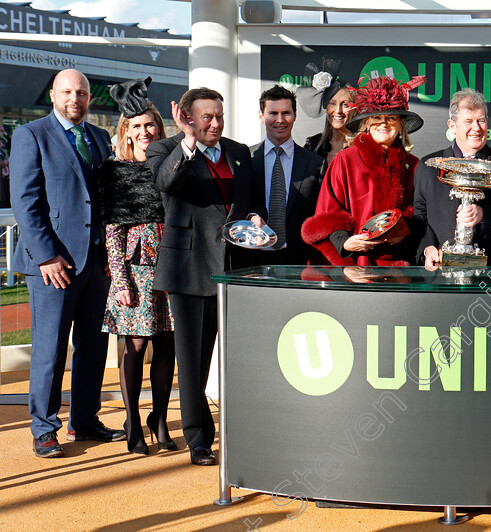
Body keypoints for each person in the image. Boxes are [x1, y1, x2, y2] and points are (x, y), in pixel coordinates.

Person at [146, 87, 265, 466]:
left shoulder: (240, 152)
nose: (215, 123)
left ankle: (243, 428)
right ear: (188, 118)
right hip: (189, 269)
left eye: (219, 116)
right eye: (206, 117)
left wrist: (257, 216)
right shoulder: (166, 150)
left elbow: (251, 201)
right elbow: (165, 184)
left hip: (235, 269)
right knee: (193, 359)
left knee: (235, 356)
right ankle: (198, 438)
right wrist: (188, 143)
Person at [10, 68, 125, 457]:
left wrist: (111, 253)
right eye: (67, 92)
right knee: (51, 348)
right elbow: (26, 202)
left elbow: (106, 198)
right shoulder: (31, 135)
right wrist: (45, 256)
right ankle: (44, 428)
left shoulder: (99, 137)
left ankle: (85, 420)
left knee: (94, 345)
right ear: (53, 95)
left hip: (96, 262)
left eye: (82, 93)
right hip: (53, 265)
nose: (75, 99)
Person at [99, 77, 176, 455]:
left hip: (173, 263)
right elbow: (112, 228)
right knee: (136, 345)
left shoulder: (174, 163)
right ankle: (132, 420)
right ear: (125, 133)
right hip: (136, 267)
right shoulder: (115, 170)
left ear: (160, 129)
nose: (145, 132)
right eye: (137, 126)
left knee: (167, 346)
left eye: (151, 125)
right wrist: (121, 278)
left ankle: (158, 419)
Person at [301, 76, 424, 266]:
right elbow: (328, 213)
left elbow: (420, 214)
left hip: (399, 270)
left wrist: (403, 229)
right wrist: (345, 242)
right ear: (366, 122)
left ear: (401, 124)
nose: (383, 124)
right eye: (377, 117)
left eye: (391, 118)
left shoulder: (414, 165)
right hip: (353, 268)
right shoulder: (346, 160)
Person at [414, 88, 491, 269]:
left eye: (481, 121)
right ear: (452, 125)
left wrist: (484, 216)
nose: (476, 128)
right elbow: (419, 215)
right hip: (440, 272)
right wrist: (428, 247)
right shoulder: (429, 166)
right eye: (468, 121)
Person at [244, 85, 324, 266]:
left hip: (299, 262)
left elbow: (319, 214)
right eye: (273, 113)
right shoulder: (246, 158)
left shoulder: (315, 163)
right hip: (252, 260)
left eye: (286, 113)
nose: (280, 120)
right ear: (261, 116)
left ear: (295, 115)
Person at [298, 57, 356, 166]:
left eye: (345, 104)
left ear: (354, 110)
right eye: (332, 103)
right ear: (325, 106)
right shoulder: (313, 145)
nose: (338, 111)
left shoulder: (363, 145)